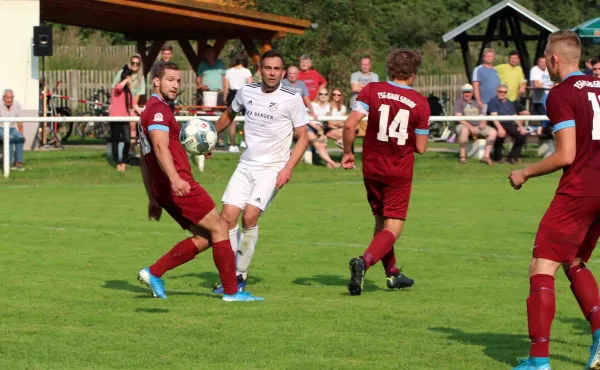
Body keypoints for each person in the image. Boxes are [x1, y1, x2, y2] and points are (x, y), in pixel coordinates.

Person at [508, 30, 600, 370]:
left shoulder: (561, 93)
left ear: (554, 59)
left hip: (579, 189)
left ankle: (539, 361)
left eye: (545, 56)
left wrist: (525, 172)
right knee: (573, 260)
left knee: (541, 266)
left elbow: (565, 155)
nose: (544, 62)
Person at [136, 61, 263, 302]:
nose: (175, 85)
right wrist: (174, 179)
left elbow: (145, 160)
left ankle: (154, 273)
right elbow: (160, 147)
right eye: (169, 79)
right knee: (220, 228)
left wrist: (153, 197)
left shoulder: (150, 110)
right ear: (156, 81)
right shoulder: (158, 110)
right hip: (179, 185)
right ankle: (231, 292)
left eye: (177, 80)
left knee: (208, 237)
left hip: (165, 189)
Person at [211, 50, 309, 293]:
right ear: (260, 70)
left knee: (249, 216)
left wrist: (288, 168)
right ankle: (229, 275)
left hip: (272, 168)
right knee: (227, 218)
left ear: (283, 72)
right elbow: (228, 114)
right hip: (246, 164)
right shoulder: (246, 92)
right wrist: (211, 138)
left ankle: (239, 275)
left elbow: (303, 138)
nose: (272, 73)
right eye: (268, 68)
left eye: (277, 69)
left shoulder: (292, 98)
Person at [341, 48, 430, 296]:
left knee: (380, 221)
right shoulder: (421, 103)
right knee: (393, 228)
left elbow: (350, 124)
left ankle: (393, 274)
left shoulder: (371, 90)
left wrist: (348, 152)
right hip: (398, 171)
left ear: (389, 68)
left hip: (371, 167)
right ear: (413, 73)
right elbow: (421, 148)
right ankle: (364, 262)